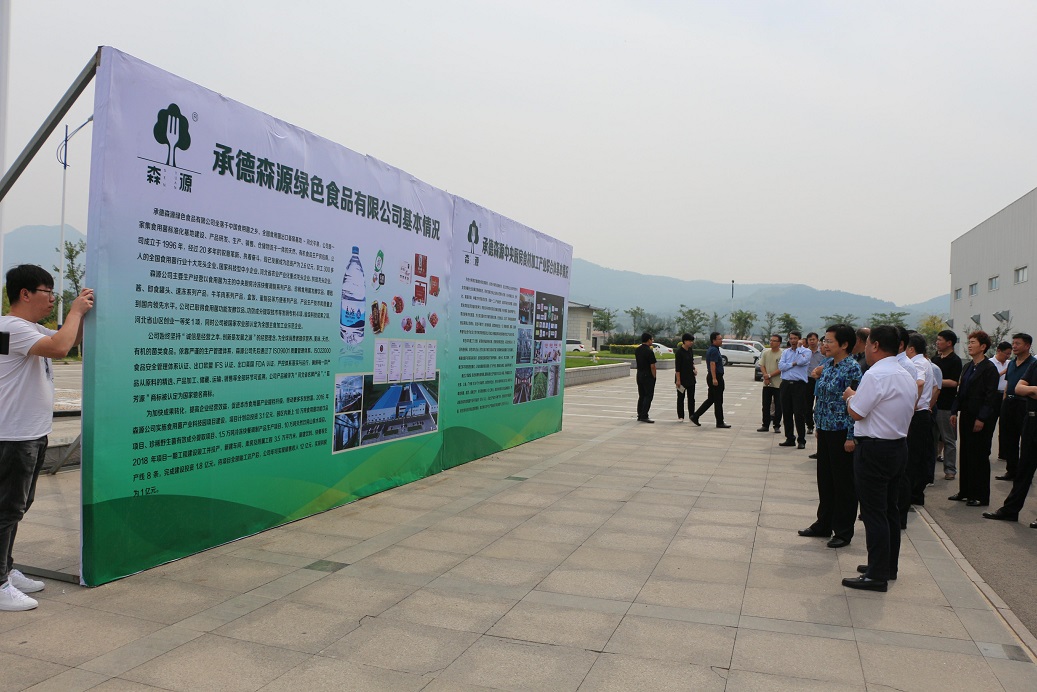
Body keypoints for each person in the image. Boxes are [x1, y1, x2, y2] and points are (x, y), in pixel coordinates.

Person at [1, 265, 94, 612]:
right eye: (47, 292)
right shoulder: (10, 327)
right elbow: (59, 347)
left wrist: (82, 314)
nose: (53, 299)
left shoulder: (29, 328)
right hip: (13, 436)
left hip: (31, 433)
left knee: (17, 506)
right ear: (25, 294)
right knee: (7, 509)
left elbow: (70, 340)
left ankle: (6, 568)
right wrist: (75, 311)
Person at [841, 325, 916, 592]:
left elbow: (857, 412)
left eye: (867, 343)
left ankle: (876, 575)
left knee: (874, 513)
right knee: (890, 511)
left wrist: (850, 397)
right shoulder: (905, 373)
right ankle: (886, 566)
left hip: (874, 449)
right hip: (897, 447)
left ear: (874, 345)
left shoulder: (875, 374)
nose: (865, 348)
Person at [797, 324, 862, 548]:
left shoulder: (852, 369)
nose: (824, 344)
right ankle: (823, 523)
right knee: (825, 480)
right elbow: (821, 397)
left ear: (844, 345)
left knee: (843, 483)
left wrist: (851, 436)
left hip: (842, 432)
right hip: (825, 429)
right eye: (824, 340)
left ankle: (843, 531)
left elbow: (856, 403)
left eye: (829, 341)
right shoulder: (827, 365)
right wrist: (818, 425)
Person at [948, 331, 1000, 507]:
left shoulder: (989, 368)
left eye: (973, 342)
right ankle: (965, 491)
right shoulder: (968, 366)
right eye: (969, 342)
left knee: (979, 455)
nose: (969, 345)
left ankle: (980, 495)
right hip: (966, 414)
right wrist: (954, 411)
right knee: (966, 453)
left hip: (980, 417)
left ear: (983, 346)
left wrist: (982, 418)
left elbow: (990, 397)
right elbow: (961, 392)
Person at [984, 356, 1037, 523]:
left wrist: (1030, 390)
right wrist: (1033, 390)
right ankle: (1010, 510)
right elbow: (1018, 388)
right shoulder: (1035, 365)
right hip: (1031, 420)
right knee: (1024, 469)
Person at [903, 333, 936, 517]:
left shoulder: (917, 363)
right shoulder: (925, 362)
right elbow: (933, 386)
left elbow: (920, 383)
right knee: (918, 457)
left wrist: (911, 404)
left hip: (917, 415)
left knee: (911, 459)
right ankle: (915, 495)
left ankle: (909, 497)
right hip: (922, 413)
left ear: (911, 348)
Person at [996, 334, 1035, 481]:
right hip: (1009, 403)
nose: (1014, 346)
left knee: (1026, 440)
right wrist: (1004, 402)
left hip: (1024, 404)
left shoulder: (1033, 364)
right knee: (1009, 438)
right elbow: (1008, 384)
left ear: (1027, 346)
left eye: (1018, 343)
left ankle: (1024, 474)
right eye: (1013, 343)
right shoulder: (1011, 363)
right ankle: (1011, 471)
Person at [932, 330, 962, 480]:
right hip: (933, 403)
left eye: (940, 340)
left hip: (946, 405)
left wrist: (936, 381)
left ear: (949, 343)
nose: (937, 342)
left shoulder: (955, 360)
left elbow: (954, 382)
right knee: (931, 440)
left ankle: (950, 470)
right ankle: (928, 471)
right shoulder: (935, 359)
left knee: (948, 439)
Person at [778, 331, 810, 449]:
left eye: (795, 338)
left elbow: (802, 361)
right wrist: (793, 364)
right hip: (786, 384)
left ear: (800, 339)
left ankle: (801, 440)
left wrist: (799, 349)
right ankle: (789, 438)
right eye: (791, 338)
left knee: (798, 413)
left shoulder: (806, 351)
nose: (793, 341)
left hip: (799, 385)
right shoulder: (786, 352)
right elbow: (781, 366)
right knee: (786, 412)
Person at [692, 332, 730, 428]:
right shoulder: (714, 350)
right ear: (714, 340)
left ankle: (695, 416)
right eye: (719, 339)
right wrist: (714, 378)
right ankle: (720, 422)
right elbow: (712, 364)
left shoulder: (714, 349)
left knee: (711, 399)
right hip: (715, 377)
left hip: (714, 376)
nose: (721, 340)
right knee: (718, 400)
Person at [758, 334, 783, 433]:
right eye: (771, 340)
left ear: (779, 343)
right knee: (765, 405)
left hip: (778, 384)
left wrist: (769, 375)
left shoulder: (783, 354)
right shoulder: (766, 353)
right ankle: (765, 425)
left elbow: (781, 368)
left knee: (778, 406)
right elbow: (762, 365)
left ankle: (777, 425)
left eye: (774, 341)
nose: (771, 342)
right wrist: (766, 376)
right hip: (767, 384)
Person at [634, 332, 657, 423]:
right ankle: (644, 415)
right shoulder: (649, 351)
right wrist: (654, 376)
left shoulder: (638, 350)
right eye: (652, 339)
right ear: (648, 340)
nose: (652, 341)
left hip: (639, 374)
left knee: (641, 395)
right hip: (647, 376)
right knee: (648, 396)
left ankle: (640, 414)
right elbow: (652, 366)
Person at [674, 333, 697, 422]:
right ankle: (681, 416)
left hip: (690, 378)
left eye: (692, 341)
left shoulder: (690, 350)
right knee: (680, 398)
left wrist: (694, 369)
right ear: (684, 341)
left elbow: (691, 362)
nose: (691, 343)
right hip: (682, 379)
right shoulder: (679, 352)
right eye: (690, 341)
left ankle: (692, 415)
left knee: (691, 398)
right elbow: (677, 368)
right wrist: (678, 380)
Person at [806, 332, 825, 435]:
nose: (812, 341)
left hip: (819, 380)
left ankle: (818, 425)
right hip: (808, 380)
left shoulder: (822, 352)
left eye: (813, 339)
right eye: (810, 340)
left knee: (819, 404)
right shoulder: (805, 353)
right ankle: (809, 425)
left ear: (817, 340)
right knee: (807, 404)